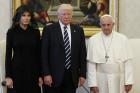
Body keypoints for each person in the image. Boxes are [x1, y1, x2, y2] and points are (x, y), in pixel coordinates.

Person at [41, 4, 87, 93]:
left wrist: (83, 75)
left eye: (69, 14)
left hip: (71, 76)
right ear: (58, 15)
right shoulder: (49, 30)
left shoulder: (78, 30)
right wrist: (46, 74)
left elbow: (82, 54)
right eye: (64, 14)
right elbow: (44, 54)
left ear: (72, 15)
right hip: (53, 77)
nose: (66, 16)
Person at [87, 14, 134, 93]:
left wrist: (129, 81)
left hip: (118, 78)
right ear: (100, 25)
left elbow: (128, 62)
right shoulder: (93, 40)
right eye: (103, 25)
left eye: (108, 25)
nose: (106, 27)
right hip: (100, 79)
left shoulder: (123, 39)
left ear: (113, 24)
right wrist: (93, 84)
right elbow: (91, 65)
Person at [5, 5, 43, 93]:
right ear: (19, 16)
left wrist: (40, 75)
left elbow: (38, 55)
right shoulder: (11, 32)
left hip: (33, 72)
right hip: (16, 71)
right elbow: (8, 55)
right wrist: (8, 76)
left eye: (28, 15)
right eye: (23, 15)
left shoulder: (35, 32)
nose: (26, 18)